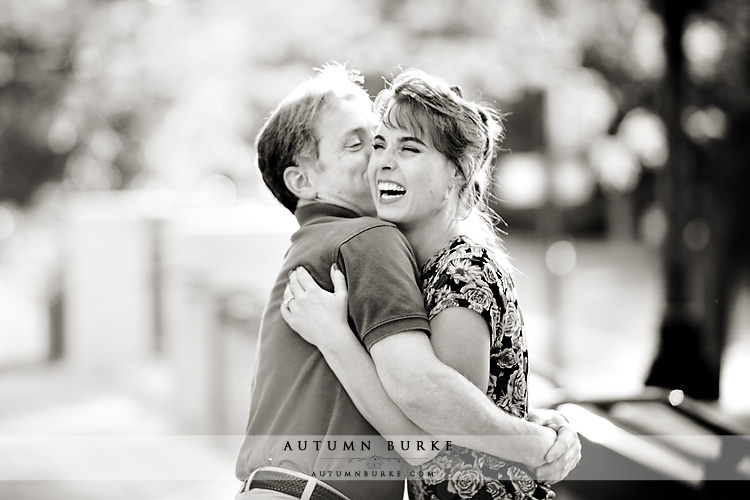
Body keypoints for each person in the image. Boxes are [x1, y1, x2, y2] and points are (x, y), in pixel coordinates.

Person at [235, 63, 580, 500]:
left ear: (458, 171)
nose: (377, 160)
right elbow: (426, 409)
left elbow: (449, 400)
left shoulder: (330, 248)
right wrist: (536, 444)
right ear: (302, 180)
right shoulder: (365, 241)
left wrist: (534, 425)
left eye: (401, 147)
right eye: (363, 144)